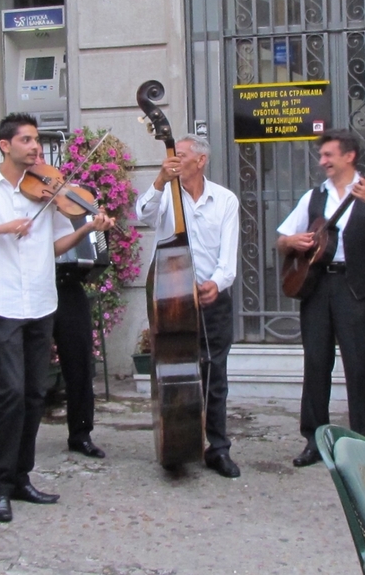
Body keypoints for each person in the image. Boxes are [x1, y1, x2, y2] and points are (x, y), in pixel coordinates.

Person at [0, 113, 113, 523]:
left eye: (37, 141)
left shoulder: (45, 193)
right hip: (1, 304)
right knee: (11, 393)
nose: (36, 148)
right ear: (5, 145)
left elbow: (56, 245)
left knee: (35, 393)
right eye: (27, 141)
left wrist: (88, 226)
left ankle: (21, 477)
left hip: (41, 302)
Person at [277, 129, 365, 466]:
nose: (322, 162)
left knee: (359, 365)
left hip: (357, 285)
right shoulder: (313, 196)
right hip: (318, 285)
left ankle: (362, 438)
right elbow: (282, 240)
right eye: (321, 156)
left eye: (328, 155)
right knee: (316, 363)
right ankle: (314, 440)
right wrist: (294, 243)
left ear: (349, 156)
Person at [136, 134, 241, 478]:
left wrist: (217, 283)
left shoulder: (225, 200)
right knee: (171, 367)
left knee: (214, 374)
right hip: (171, 297)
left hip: (211, 297)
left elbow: (228, 257)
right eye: (172, 155)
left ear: (200, 161)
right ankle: (177, 440)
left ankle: (218, 446)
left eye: (180, 155)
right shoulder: (166, 195)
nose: (174, 160)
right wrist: (158, 181)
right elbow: (143, 213)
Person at [35, 145, 106, 460]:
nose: (51, 182)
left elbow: (95, 244)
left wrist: (96, 227)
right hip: (37, 285)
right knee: (32, 368)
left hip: (68, 284)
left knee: (79, 362)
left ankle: (81, 433)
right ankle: (23, 435)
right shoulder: (23, 201)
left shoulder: (72, 199)